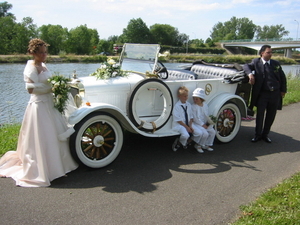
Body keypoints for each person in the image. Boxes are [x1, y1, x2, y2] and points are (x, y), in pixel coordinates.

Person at [0, 38, 78, 187]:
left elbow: (48, 82)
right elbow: (30, 89)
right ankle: (44, 170)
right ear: (33, 53)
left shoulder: (43, 65)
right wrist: (51, 88)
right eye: (41, 53)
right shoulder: (31, 67)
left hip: (49, 104)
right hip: (38, 105)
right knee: (43, 135)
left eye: (45, 52)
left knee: (55, 134)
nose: (44, 55)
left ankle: (60, 166)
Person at [243, 44, 287, 143]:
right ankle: (257, 135)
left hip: (275, 94)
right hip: (262, 94)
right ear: (262, 53)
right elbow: (245, 66)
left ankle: (265, 135)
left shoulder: (276, 64)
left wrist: (283, 90)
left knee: (271, 115)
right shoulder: (256, 62)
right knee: (260, 115)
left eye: (271, 52)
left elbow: (283, 78)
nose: (271, 54)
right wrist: (250, 74)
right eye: (268, 52)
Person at [172, 86, 204, 153]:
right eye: (184, 96)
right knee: (185, 135)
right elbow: (178, 120)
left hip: (188, 124)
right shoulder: (177, 106)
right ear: (179, 96)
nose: (186, 98)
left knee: (199, 133)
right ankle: (178, 143)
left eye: (187, 96)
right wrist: (187, 127)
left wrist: (190, 126)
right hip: (180, 125)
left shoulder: (188, 105)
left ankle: (187, 142)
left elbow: (191, 117)